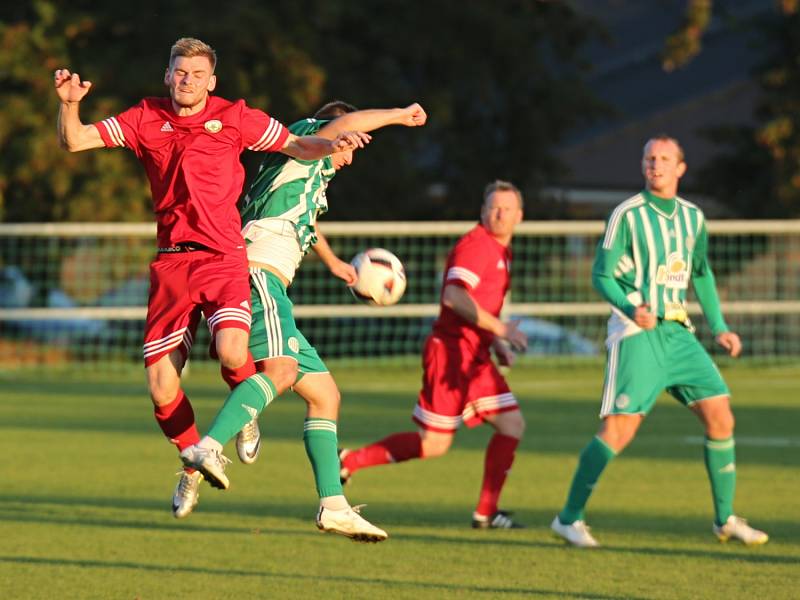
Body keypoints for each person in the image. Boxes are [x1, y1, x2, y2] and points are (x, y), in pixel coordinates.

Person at [54, 38, 368, 519]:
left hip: (224, 257)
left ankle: (242, 419)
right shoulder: (144, 118)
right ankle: (192, 465)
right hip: (171, 263)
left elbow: (296, 144)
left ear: (212, 81)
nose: (188, 81)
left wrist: (333, 144)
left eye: (197, 75)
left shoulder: (236, 116)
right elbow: (74, 140)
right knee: (161, 387)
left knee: (233, 352)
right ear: (167, 75)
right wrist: (69, 106)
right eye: (180, 72)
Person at [179, 100, 428, 541]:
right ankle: (207, 447)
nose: (350, 156)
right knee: (281, 370)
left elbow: (306, 220)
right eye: (349, 147)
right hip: (256, 276)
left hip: (266, 282)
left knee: (325, 395)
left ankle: (333, 505)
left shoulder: (306, 172)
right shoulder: (305, 138)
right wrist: (398, 115)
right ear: (328, 128)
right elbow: (345, 124)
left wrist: (333, 262)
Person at [550, 135, 769, 547]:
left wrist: (719, 326)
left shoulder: (693, 218)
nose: (656, 165)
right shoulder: (627, 214)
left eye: (665, 159)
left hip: (678, 331)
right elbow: (602, 274)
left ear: (680, 168)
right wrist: (631, 308)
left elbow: (700, 272)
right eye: (650, 158)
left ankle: (725, 520)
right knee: (619, 430)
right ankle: (568, 518)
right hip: (637, 332)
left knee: (721, 415)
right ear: (642, 166)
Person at [338, 180, 529, 529]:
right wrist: (502, 330)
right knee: (435, 444)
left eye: (506, 209)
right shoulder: (477, 246)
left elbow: (477, 304)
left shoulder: (502, 251)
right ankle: (350, 460)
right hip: (452, 354)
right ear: (482, 211)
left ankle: (486, 513)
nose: (499, 214)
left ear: (520, 215)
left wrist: (496, 342)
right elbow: (454, 297)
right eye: (493, 207)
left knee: (512, 424)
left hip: (475, 356)